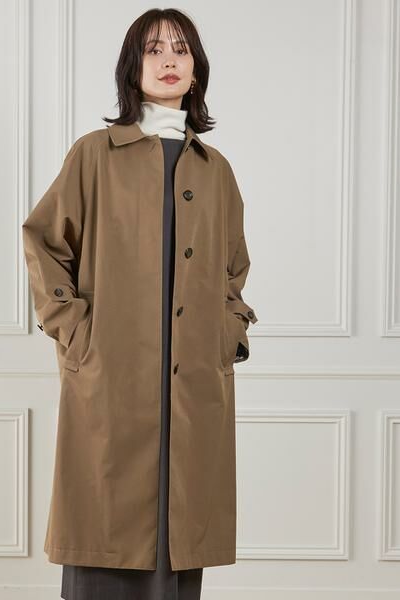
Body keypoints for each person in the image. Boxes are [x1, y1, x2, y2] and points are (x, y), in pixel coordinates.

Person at [22, 8, 258, 600]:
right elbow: (45, 242)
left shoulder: (216, 170)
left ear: (197, 69)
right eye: (154, 50)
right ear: (133, 68)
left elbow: (233, 270)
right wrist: (77, 332)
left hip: (193, 380)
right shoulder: (95, 154)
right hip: (110, 375)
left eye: (181, 49)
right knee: (105, 532)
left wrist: (228, 332)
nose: (169, 60)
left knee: (179, 533)